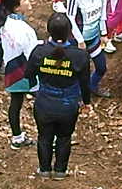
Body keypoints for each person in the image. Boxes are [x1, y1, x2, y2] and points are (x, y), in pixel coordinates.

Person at [25, 12, 91, 180]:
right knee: (64, 137)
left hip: (44, 103)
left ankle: (44, 170)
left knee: (44, 137)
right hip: (68, 106)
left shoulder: (40, 52)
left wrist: (35, 89)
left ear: (49, 30)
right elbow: (85, 83)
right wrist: (86, 102)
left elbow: (28, 74)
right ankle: (60, 171)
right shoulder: (80, 56)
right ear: (69, 32)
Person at [66, 0, 110, 97]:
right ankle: (77, 96)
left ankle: (92, 87)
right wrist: (80, 40)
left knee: (101, 67)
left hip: (94, 38)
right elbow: (70, 18)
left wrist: (104, 33)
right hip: (77, 41)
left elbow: (103, 12)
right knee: (77, 71)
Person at [1, 0, 39, 149]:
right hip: (26, 70)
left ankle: (17, 137)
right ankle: (47, 135)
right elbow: (33, 55)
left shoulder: (8, 23)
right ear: (17, 7)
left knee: (16, 102)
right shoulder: (24, 30)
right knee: (42, 100)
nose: (29, 0)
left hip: (12, 70)